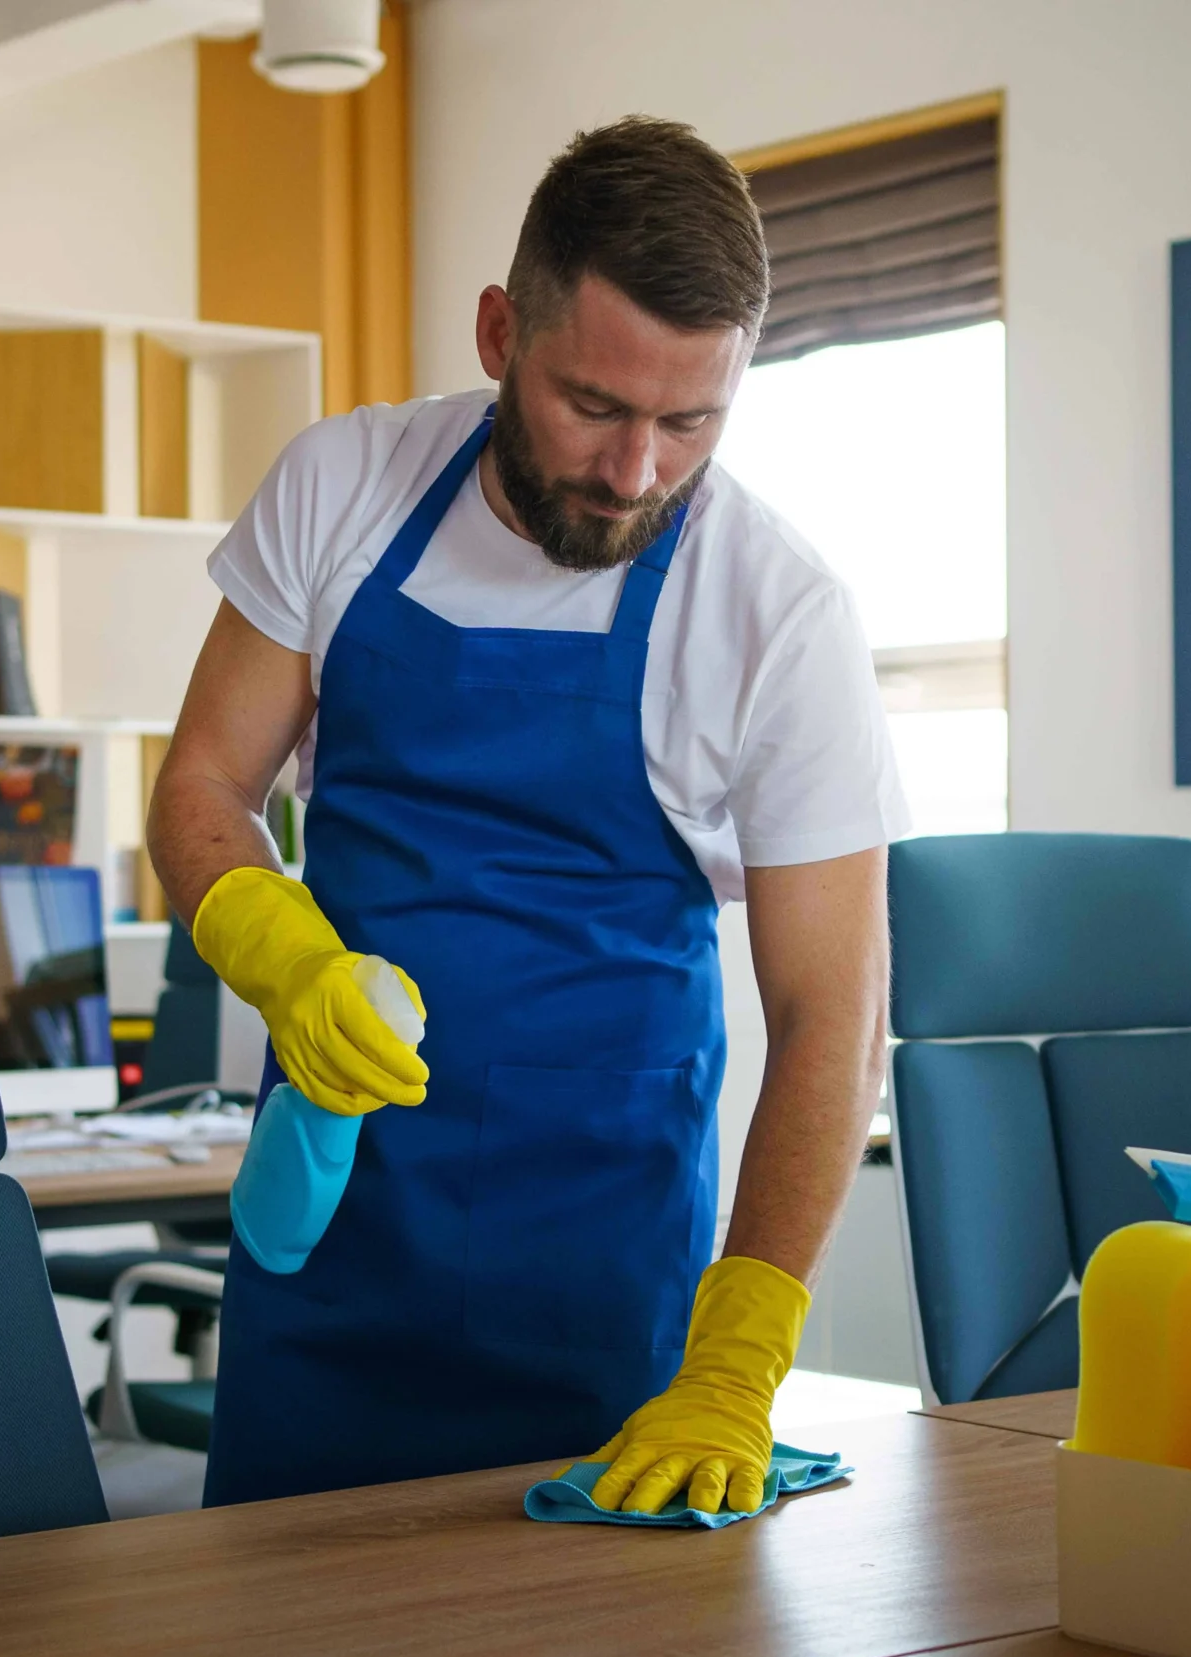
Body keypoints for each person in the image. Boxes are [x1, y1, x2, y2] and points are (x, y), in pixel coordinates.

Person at [149, 115, 907, 1513]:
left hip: (605, 1294)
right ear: (501, 331)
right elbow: (202, 788)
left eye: (692, 422)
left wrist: (739, 1362)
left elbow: (834, 1021)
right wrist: (283, 953)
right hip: (334, 1244)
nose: (636, 473)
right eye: (596, 408)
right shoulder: (345, 488)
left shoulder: (777, 613)